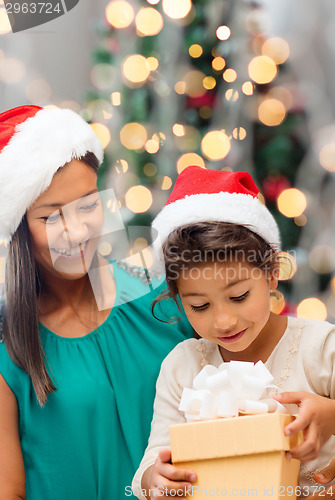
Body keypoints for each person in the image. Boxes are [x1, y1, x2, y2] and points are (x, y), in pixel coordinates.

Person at [0, 105, 193, 500]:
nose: (76, 231)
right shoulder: (8, 351)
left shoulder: (162, 298)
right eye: (51, 217)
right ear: (18, 228)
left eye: (88, 204)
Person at [132, 166, 335, 500]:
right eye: (199, 306)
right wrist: (154, 478)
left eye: (239, 297)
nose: (223, 321)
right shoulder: (183, 367)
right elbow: (153, 462)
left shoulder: (321, 349)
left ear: (271, 275)